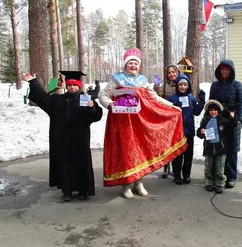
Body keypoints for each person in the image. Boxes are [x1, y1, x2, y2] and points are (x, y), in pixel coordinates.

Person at [99, 47, 186, 199]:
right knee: (125, 153)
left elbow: (154, 98)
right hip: (121, 123)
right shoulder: (117, 79)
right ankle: (126, 184)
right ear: (125, 65)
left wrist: (171, 106)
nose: (133, 66)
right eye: (130, 63)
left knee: (140, 152)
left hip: (139, 123)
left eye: (136, 64)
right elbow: (103, 95)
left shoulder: (143, 81)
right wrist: (111, 105)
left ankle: (138, 182)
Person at [22, 71, 103, 202]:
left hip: (80, 138)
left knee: (81, 163)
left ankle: (83, 190)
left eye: (75, 85)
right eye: (70, 85)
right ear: (66, 86)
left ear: (79, 86)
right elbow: (42, 98)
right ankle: (67, 190)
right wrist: (34, 83)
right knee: (65, 164)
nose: (72, 87)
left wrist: (91, 108)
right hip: (62, 138)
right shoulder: (57, 100)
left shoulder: (85, 99)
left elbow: (96, 116)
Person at [209, 59, 242, 188]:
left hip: (232, 120)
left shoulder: (237, 85)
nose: (224, 72)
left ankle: (232, 176)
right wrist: (209, 118)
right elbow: (211, 102)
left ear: (231, 71)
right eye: (222, 69)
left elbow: (240, 103)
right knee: (220, 148)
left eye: (227, 70)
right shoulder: (215, 85)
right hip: (218, 120)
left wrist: (238, 120)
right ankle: (219, 174)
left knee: (232, 149)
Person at [167, 74, 205, 185]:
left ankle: (186, 175)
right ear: (177, 86)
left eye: (185, 85)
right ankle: (177, 175)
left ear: (188, 86)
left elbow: (197, 112)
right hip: (177, 132)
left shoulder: (191, 98)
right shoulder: (172, 99)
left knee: (188, 154)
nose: (183, 87)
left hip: (189, 131)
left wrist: (201, 101)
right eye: (180, 85)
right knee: (178, 154)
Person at [196, 100, 237, 194]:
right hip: (209, 148)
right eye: (211, 110)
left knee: (219, 168)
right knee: (208, 167)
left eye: (215, 110)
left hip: (221, 149)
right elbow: (200, 133)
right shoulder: (205, 120)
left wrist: (228, 114)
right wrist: (201, 132)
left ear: (218, 111)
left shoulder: (222, 120)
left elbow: (233, 125)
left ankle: (219, 184)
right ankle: (209, 183)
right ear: (208, 111)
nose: (213, 112)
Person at [153, 65, 181, 178]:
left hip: (178, 117)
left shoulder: (181, 84)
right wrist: (156, 85)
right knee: (166, 144)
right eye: (169, 73)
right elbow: (157, 97)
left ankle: (176, 168)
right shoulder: (164, 86)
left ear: (177, 73)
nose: (171, 74)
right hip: (167, 118)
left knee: (176, 143)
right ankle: (166, 168)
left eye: (173, 72)